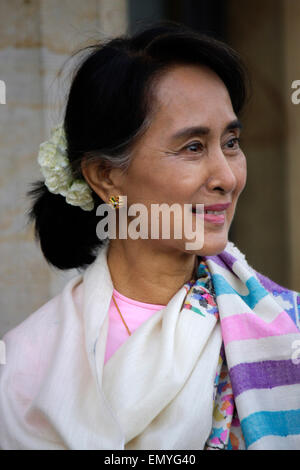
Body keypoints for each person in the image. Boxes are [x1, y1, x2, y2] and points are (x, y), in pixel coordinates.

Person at [0, 21, 300, 451]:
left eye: (231, 142)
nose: (226, 177)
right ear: (106, 176)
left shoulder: (285, 333)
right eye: (193, 147)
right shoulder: (27, 363)